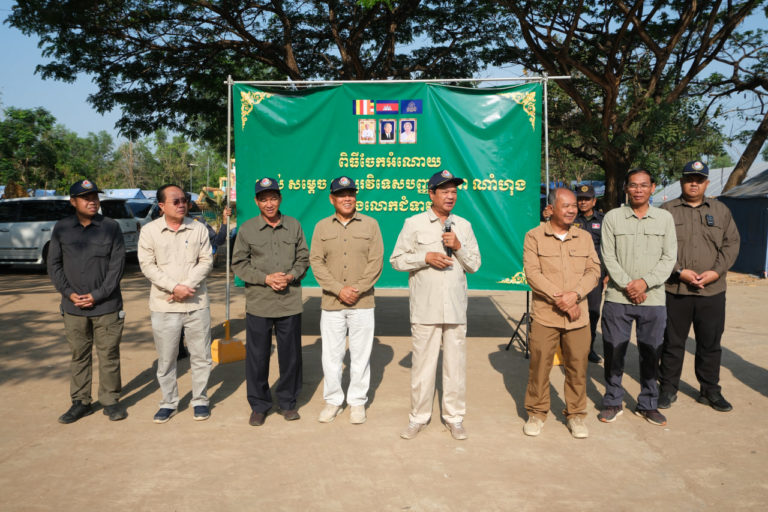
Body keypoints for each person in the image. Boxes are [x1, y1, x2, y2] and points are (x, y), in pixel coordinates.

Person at [390, 169, 481, 440]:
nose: (450, 196)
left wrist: (459, 246)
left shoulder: (463, 226)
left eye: (454, 192)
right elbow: (396, 260)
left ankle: (454, 418)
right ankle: (418, 418)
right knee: (423, 366)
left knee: (455, 367)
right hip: (425, 308)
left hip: (455, 308)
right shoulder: (414, 223)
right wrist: (425, 257)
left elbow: (475, 265)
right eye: (445, 191)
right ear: (431, 194)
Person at [658, 161, 740, 412]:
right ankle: (668, 388)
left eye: (699, 180)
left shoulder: (721, 210)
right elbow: (657, 246)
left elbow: (731, 244)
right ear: (681, 182)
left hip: (712, 291)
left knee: (710, 343)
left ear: (706, 183)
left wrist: (715, 272)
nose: (694, 184)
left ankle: (710, 390)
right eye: (689, 179)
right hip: (676, 290)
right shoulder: (666, 211)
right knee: (672, 343)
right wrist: (678, 271)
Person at [599, 169, 677, 426]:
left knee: (651, 353)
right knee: (613, 351)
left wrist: (644, 283)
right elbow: (608, 255)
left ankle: (648, 404)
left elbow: (669, 258)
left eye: (644, 185)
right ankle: (612, 401)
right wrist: (628, 285)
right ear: (626, 188)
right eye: (633, 185)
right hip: (617, 298)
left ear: (653, 187)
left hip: (653, 299)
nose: (638, 190)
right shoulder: (613, 217)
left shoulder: (664, 218)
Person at [522, 188, 600, 438]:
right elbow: (533, 274)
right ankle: (537, 412)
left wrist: (575, 295)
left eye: (574, 205)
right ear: (551, 208)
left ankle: (576, 415)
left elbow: (594, 271)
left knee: (577, 367)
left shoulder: (584, 237)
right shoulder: (534, 236)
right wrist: (562, 299)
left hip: (578, 317)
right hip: (546, 316)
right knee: (539, 366)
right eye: (566, 206)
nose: (572, 210)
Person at [48, 179, 127, 423]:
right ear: (73, 202)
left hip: (106, 306)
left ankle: (110, 400)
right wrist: (68, 293)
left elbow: (116, 268)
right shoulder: (62, 228)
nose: (92, 201)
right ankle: (80, 402)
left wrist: (97, 295)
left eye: (95, 197)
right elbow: (54, 264)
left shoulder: (111, 227)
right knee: (79, 355)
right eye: (86, 198)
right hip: (73, 307)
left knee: (109, 354)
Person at [232, 177, 309, 426]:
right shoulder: (247, 229)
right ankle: (259, 405)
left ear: (280, 199)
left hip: (289, 302)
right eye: (264, 199)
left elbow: (303, 258)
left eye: (273, 198)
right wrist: (265, 279)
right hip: (259, 303)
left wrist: (291, 276)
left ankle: (287, 402)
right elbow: (239, 264)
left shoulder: (294, 225)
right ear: (256, 201)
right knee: (257, 357)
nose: (269, 203)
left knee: (291, 356)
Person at [310, 176, 384, 424]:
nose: (347, 198)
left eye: (351, 193)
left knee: (361, 355)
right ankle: (333, 401)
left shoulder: (371, 224)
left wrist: (357, 289)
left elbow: (376, 261)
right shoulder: (321, 227)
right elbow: (316, 262)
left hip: (363, 302)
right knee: (331, 356)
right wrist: (338, 290)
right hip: (332, 303)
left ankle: (357, 402)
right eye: (341, 194)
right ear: (332, 199)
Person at [138, 184, 214, 423]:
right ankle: (169, 402)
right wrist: (174, 288)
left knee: (201, 356)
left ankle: (200, 399)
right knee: (167, 358)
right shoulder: (149, 231)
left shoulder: (198, 228)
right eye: (176, 201)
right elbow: (147, 265)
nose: (182, 205)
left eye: (184, 200)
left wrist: (185, 287)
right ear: (161, 206)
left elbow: (206, 261)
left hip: (196, 303)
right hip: (165, 305)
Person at [572, 184, 606, 363]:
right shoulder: (570, 218)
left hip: (594, 275)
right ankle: (570, 350)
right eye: (580, 199)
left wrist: (607, 274)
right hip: (573, 274)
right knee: (572, 310)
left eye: (587, 199)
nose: (583, 202)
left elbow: (608, 249)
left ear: (594, 201)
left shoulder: (603, 220)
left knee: (593, 312)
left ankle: (588, 348)